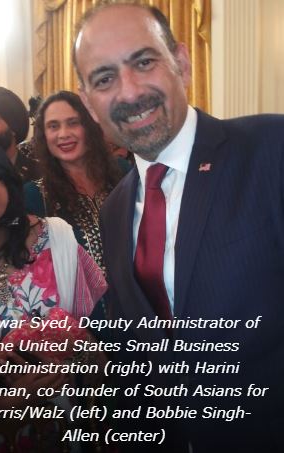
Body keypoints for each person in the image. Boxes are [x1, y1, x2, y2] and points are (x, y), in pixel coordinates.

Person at [74, 3, 284, 451]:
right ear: (90, 103)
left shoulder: (271, 150)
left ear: (182, 64)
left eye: (144, 62)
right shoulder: (114, 210)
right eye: (104, 79)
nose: (129, 93)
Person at [0, 126, 107, 446]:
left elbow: (98, 341)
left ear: (4, 176)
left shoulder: (58, 237)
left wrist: (73, 356)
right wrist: (3, 403)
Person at [24, 91, 126, 272]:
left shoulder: (122, 172)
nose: (63, 134)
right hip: (77, 300)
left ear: (89, 126)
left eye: (73, 123)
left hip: (139, 296)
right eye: (53, 126)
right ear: (44, 136)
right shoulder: (34, 197)